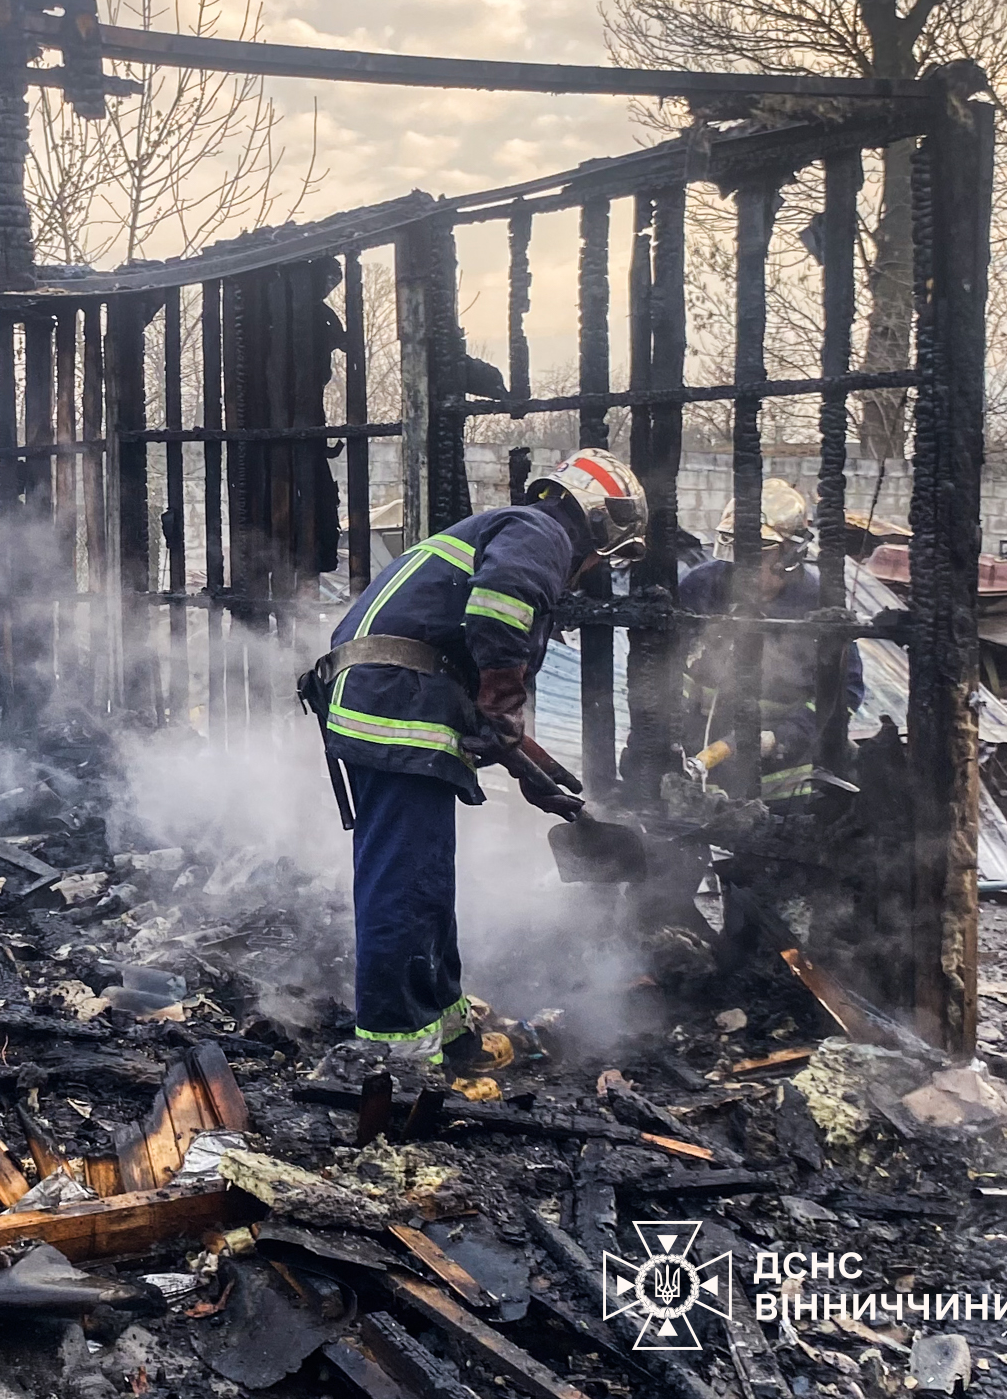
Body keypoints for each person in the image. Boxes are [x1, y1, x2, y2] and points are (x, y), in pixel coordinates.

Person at [299, 449, 648, 1065]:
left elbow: (473, 665)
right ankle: (392, 1047)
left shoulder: (507, 531)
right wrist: (506, 698)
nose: (589, 570)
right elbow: (500, 605)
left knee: (424, 877)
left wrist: (531, 769)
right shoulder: (539, 531)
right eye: (601, 557)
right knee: (404, 882)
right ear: (597, 523)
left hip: (395, 699)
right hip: (396, 704)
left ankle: (443, 1017)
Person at [677, 480, 864, 803]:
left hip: (778, 785)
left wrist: (781, 738)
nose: (742, 570)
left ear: (790, 554)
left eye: (757, 556)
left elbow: (844, 692)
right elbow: (659, 666)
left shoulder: (817, 605)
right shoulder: (701, 587)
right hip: (696, 772)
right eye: (737, 553)